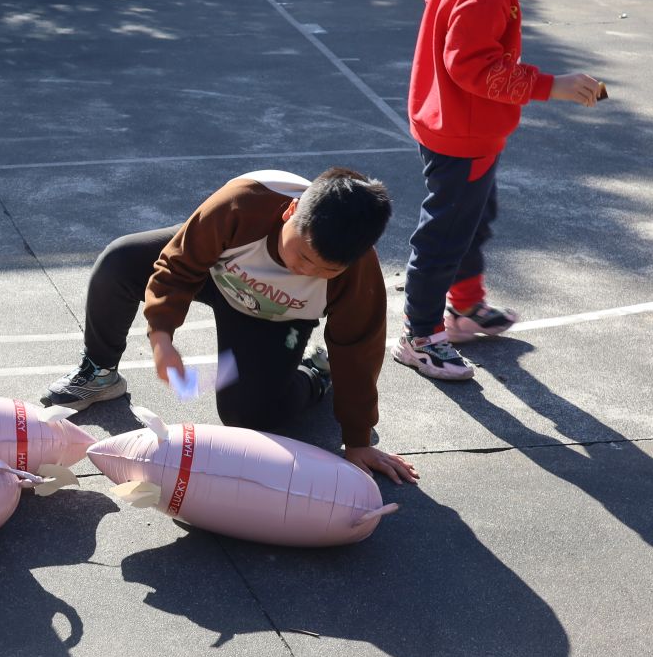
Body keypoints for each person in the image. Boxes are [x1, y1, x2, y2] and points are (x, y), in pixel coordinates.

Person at [40, 168, 418, 484]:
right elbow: (176, 267)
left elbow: (358, 350)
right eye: (302, 255)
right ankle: (99, 371)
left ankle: (314, 373)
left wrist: (357, 439)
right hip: (213, 273)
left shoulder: (356, 274)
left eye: (326, 270)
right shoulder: (242, 203)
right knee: (119, 261)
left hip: (275, 317)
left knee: (248, 418)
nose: (307, 271)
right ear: (290, 212)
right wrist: (161, 336)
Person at [396, 0, 603, 381]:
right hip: (460, 130)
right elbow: (470, 65)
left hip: (465, 125)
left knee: (472, 221)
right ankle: (421, 336)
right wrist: (549, 86)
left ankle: (464, 311)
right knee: (444, 235)